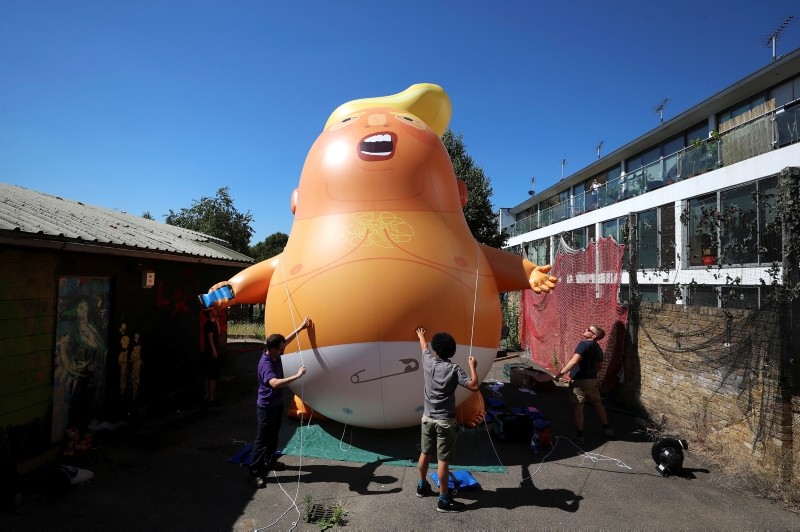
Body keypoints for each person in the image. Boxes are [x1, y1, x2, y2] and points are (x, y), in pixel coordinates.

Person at [414, 327, 479, 513]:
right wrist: (473, 367)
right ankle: (443, 500)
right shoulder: (454, 369)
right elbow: (474, 386)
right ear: (452, 351)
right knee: (443, 461)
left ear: (436, 350)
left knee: (425, 453)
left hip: (427, 418)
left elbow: (423, 348)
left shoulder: (428, 362)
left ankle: (421, 486)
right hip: (445, 422)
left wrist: (421, 336)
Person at [250, 317, 312, 488]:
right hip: (266, 407)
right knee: (262, 439)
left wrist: (300, 328)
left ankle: (269, 461)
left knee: (274, 434)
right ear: (272, 349)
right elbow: (274, 383)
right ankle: (254, 473)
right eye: (280, 349)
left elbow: (286, 341)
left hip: (276, 405)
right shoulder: (266, 364)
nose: (282, 351)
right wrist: (297, 376)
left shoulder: (275, 352)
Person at [554, 324, 613, 445]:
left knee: (579, 406)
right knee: (597, 403)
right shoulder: (598, 348)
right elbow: (600, 367)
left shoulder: (584, 344)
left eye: (589, 329)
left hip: (579, 381)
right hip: (592, 381)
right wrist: (591, 373)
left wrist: (561, 373)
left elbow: (574, 361)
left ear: (594, 335)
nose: (586, 329)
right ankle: (607, 428)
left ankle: (580, 435)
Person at [202, 308, 222, 404]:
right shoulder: (209, 325)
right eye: (214, 310)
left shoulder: (213, 323)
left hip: (212, 352)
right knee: (212, 376)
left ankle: (207, 396)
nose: (216, 311)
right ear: (210, 313)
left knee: (208, 375)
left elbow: (218, 334)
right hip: (211, 353)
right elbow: (210, 338)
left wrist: (217, 321)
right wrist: (214, 351)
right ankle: (211, 397)